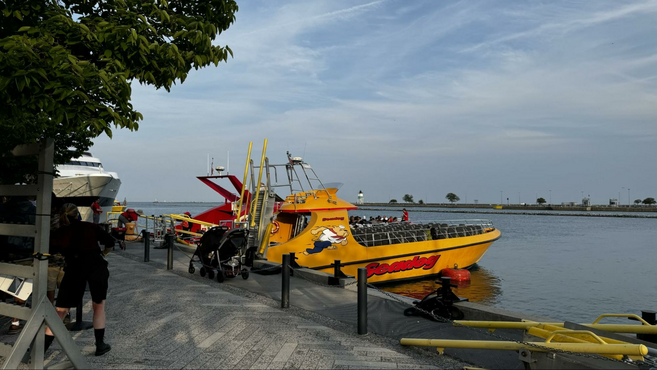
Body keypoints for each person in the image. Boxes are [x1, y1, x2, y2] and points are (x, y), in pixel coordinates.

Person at [47, 204, 114, 356]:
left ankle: (43, 347)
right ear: (78, 214)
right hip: (96, 266)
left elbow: (51, 250)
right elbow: (110, 242)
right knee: (98, 306)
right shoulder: (90, 227)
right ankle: (100, 344)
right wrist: (104, 253)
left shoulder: (59, 232)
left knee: (61, 311)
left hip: (73, 269)